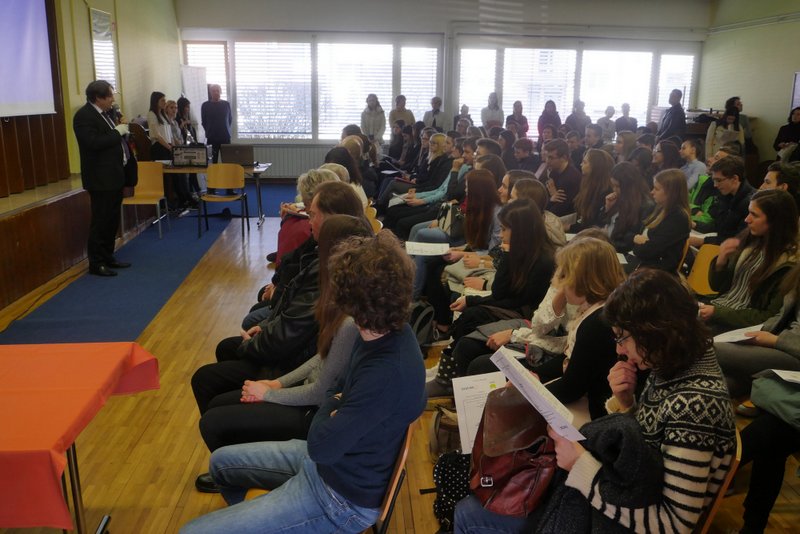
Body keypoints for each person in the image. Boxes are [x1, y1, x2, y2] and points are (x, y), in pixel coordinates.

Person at [454, 268, 737, 534]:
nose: (620, 350)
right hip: (614, 491)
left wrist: (579, 466)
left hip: (614, 514)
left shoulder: (696, 405)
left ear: (653, 331)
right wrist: (626, 403)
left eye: (622, 338)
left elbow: (674, 525)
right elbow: (648, 447)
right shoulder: (674, 365)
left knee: (468, 512)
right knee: (470, 474)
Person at [181, 231, 425, 534]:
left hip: (340, 499)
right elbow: (334, 392)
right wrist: (335, 402)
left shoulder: (387, 372)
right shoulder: (380, 330)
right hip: (328, 465)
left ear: (350, 300)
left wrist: (334, 402)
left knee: (191, 532)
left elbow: (320, 444)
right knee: (220, 463)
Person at [193, 215, 373, 494]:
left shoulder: (351, 318)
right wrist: (277, 384)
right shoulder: (345, 301)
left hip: (312, 414)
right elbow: (321, 358)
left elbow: (320, 391)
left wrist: (270, 394)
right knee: (217, 404)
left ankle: (237, 473)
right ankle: (237, 467)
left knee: (213, 420)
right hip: (304, 393)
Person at [459, 236, 624, 420]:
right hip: (574, 390)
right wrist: (533, 376)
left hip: (593, 411)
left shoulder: (597, 323)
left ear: (585, 279)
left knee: (502, 396)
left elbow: (572, 388)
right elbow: (568, 359)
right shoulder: (593, 310)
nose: (559, 284)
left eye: (565, 276)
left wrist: (529, 390)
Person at [426, 199, 555, 397]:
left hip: (526, 317)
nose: (501, 234)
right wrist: (507, 257)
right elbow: (500, 292)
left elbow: (515, 301)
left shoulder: (544, 261)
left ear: (520, 230)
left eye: (505, 229)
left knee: (472, 316)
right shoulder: (521, 252)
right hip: (514, 309)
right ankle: (450, 375)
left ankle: (452, 379)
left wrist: (473, 301)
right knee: (470, 315)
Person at [699, 189, 799, 335]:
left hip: (737, 327)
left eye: (754, 215)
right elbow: (717, 287)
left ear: (775, 221)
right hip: (717, 308)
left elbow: (767, 317)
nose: (747, 219)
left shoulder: (789, 265)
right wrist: (721, 261)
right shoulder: (750, 241)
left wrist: (717, 313)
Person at [72, 80, 136, 277]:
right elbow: (93, 143)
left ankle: (108, 256)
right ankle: (96, 263)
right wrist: (117, 131)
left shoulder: (108, 114)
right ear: (98, 98)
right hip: (100, 178)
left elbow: (115, 140)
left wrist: (122, 130)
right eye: (109, 96)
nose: (113, 100)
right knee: (101, 221)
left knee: (112, 220)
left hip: (115, 175)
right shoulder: (84, 116)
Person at [631, 169, 691, 273]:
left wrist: (639, 242)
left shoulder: (678, 217)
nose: (652, 192)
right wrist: (641, 241)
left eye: (656, 189)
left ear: (671, 192)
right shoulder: (660, 208)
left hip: (657, 272)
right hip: (645, 263)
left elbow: (649, 250)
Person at [691, 155, 755, 247]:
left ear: (735, 179)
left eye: (718, 180)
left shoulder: (750, 203)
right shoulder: (725, 195)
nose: (715, 185)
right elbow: (718, 227)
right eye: (714, 180)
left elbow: (739, 239)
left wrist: (703, 241)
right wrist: (695, 225)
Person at [601, 161, 654, 253]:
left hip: (617, 251)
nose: (614, 189)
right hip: (606, 245)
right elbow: (603, 224)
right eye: (613, 185)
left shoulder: (645, 206)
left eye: (617, 186)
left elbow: (631, 242)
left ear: (629, 186)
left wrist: (607, 243)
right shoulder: (618, 198)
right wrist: (608, 208)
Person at [570, 148, 614, 231]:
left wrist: (568, 227)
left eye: (584, 162)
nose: (580, 164)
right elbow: (581, 217)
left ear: (596, 167)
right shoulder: (587, 184)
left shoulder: (606, 191)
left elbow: (592, 223)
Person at [542, 139, 582, 217]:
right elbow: (545, 196)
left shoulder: (570, 179)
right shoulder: (554, 171)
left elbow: (558, 211)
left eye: (551, 158)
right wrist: (551, 198)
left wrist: (551, 199)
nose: (547, 161)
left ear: (564, 157)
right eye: (546, 157)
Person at [201, 84, 232, 163]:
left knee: (227, 161)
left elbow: (229, 120)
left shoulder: (226, 104)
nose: (215, 92)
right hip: (212, 138)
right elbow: (204, 122)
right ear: (210, 92)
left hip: (225, 138)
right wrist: (210, 131)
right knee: (212, 162)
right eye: (213, 91)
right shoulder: (205, 105)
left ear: (220, 92)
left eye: (217, 91)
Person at [147, 91, 173, 161]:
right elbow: (157, 135)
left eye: (165, 100)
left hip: (167, 146)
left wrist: (173, 146)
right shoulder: (151, 114)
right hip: (159, 147)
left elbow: (170, 133)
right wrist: (169, 147)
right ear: (156, 101)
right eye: (162, 100)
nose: (165, 102)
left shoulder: (163, 115)